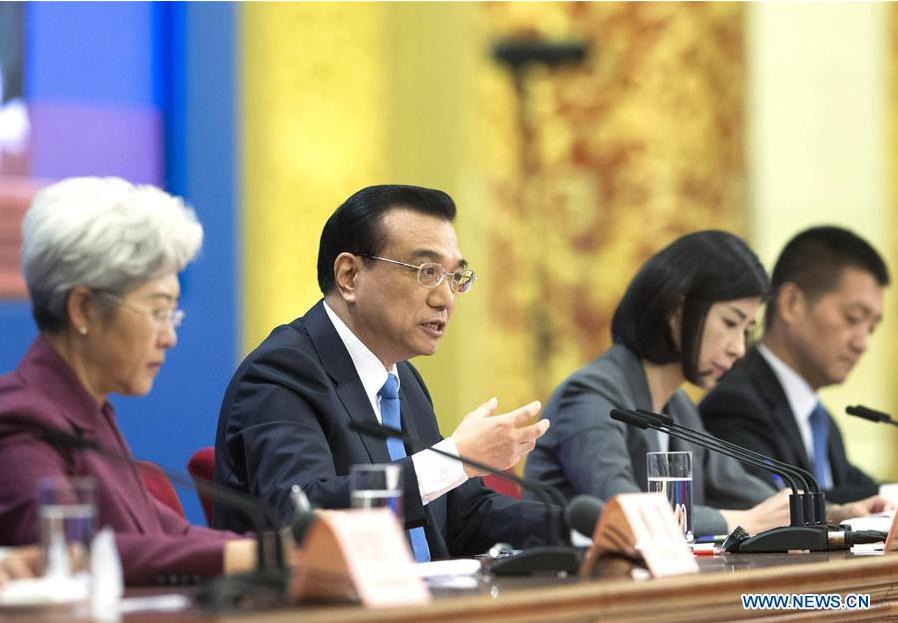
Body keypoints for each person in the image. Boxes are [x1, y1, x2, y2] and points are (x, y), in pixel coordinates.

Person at [215, 185, 554, 560]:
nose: (446, 299)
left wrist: (579, 526)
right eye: (427, 272)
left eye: (455, 277)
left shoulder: (402, 380)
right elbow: (304, 511)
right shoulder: (281, 372)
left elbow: (464, 515)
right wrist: (455, 457)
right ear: (349, 275)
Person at [525, 231, 873, 538]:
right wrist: (744, 522)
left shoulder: (679, 408)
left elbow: (742, 488)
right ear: (676, 311)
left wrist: (837, 515)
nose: (738, 348)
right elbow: (627, 514)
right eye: (730, 322)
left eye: (747, 330)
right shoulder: (590, 398)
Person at [0, 177, 257, 586]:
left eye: (172, 314)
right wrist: (250, 555)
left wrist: (284, 553)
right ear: (83, 307)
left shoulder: (90, 414)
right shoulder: (22, 419)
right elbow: (69, 553)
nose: (169, 336)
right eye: (158, 311)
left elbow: (174, 537)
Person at [700, 226, 891, 507]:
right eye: (853, 318)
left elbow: (856, 489)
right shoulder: (736, 405)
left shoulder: (820, 420)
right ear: (791, 303)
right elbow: (773, 504)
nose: (862, 343)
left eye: (871, 328)